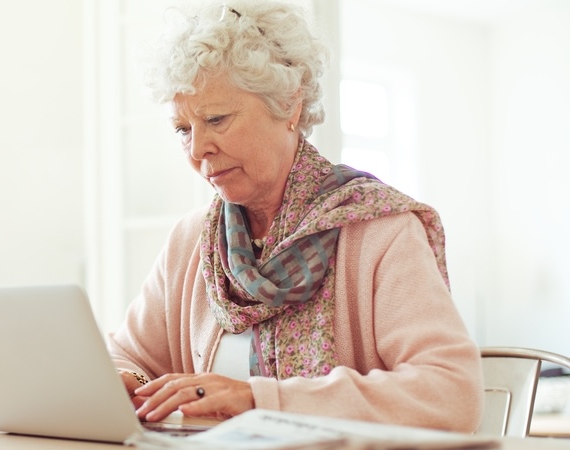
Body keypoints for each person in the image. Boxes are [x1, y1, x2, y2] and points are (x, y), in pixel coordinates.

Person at [107, 0, 483, 433]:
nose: (197, 150)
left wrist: (259, 400)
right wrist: (131, 384)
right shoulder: (192, 240)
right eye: (183, 129)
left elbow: (453, 393)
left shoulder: (380, 230)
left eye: (216, 119)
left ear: (289, 104)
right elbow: (127, 356)